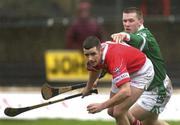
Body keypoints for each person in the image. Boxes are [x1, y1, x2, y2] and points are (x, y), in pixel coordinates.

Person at [111, 7, 173, 125]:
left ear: (141, 21)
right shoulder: (125, 37)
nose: (127, 24)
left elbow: (138, 40)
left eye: (131, 20)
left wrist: (125, 35)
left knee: (120, 113)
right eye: (125, 21)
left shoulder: (144, 36)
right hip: (146, 88)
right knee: (150, 123)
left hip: (158, 89)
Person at [82, 36, 155, 125]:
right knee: (111, 111)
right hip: (126, 68)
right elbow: (95, 69)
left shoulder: (114, 58)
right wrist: (88, 87)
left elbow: (126, 91)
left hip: (141, 72)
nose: (90, 58)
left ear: (100, 50)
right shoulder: (96, 55)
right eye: (87, 55)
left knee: (118, 112)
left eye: (93, 54)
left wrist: (101, 106)